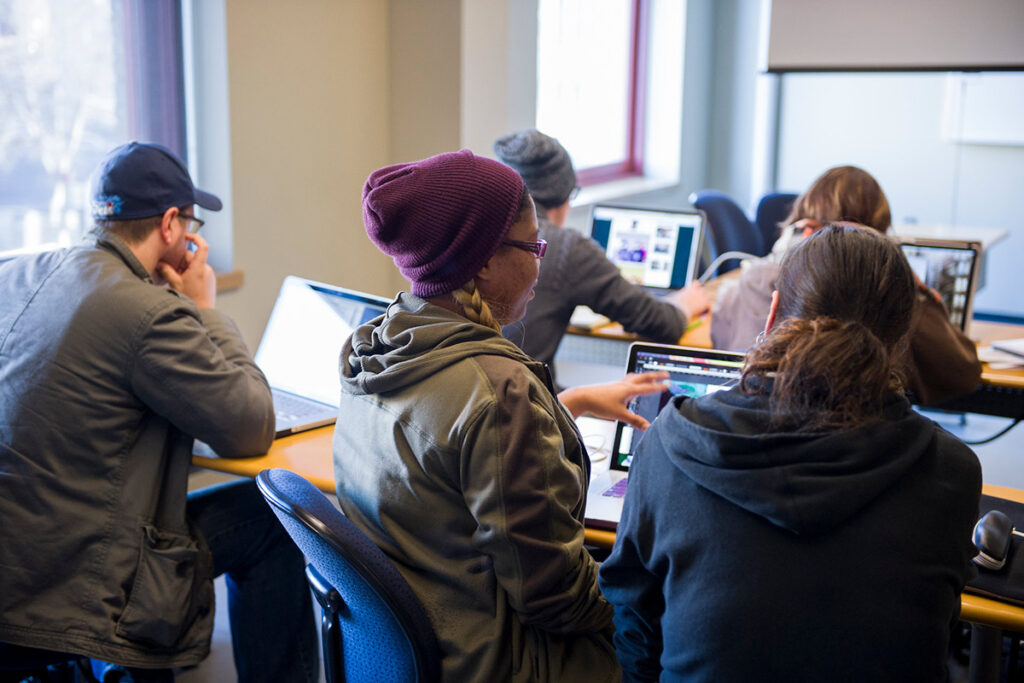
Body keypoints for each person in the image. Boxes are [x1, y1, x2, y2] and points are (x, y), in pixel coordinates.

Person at [333, 149, 672, 682]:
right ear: (484, 262)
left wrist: (570, 403)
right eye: (533, 244)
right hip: (508, 662)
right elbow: (556, 599)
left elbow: (451, 447)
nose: (541, 258)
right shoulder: (500, 392)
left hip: (426, 645)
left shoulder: (378, 351)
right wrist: (655, 595)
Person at [599, 225, 982, 682]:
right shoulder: (950, 470)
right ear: (903, 341)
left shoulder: (670, 442)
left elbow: (636, 624)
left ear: (773, 312)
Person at [0, 142, 317, 682]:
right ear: (171, 225)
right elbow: (250, 427)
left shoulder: (21, 273)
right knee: (271, 521)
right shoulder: (148, 313)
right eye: (192, 224)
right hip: (75, 581)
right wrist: (204, 311)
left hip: (20, 558)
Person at [711, 165, 981, 405]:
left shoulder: (745, 283)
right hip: (865, 438)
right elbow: (962, 374)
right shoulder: (883, 291)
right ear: (877, 236)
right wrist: (916, 291)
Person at [493, 129, 710, 384]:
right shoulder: (565, 247)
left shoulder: (484, 235)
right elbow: (659, 323)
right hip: (526, 405)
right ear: (563, 195)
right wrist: (684, 303)